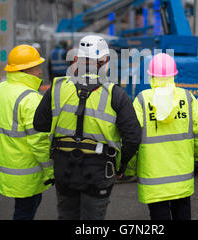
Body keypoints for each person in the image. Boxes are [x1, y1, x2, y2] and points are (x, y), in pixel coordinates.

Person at [33, 35, 141, 220]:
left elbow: (39, 124)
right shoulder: (115, 94)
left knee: (66, 216)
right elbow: (132, 137)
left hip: (63, 168)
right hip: (99, 170)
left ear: (77, 60)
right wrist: (122, 166)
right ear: (105, 61)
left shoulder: (57, 87)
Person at [132, 53, 198, 220]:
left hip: (153, 180)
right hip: (182, 178)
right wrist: (197, 155)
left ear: (151, 75)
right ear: (174, 75)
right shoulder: (188, 98)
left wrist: (130, 167)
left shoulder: (141, 100)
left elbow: (131, 140)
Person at [0, 44, 54, 220]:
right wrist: (51, 172)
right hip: (27, 172)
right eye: (37, 67)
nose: (40, 72)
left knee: (23, 210)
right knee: (25, 213)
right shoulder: (31, 99)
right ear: (26, 69)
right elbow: (39, 143)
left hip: (6, 168)